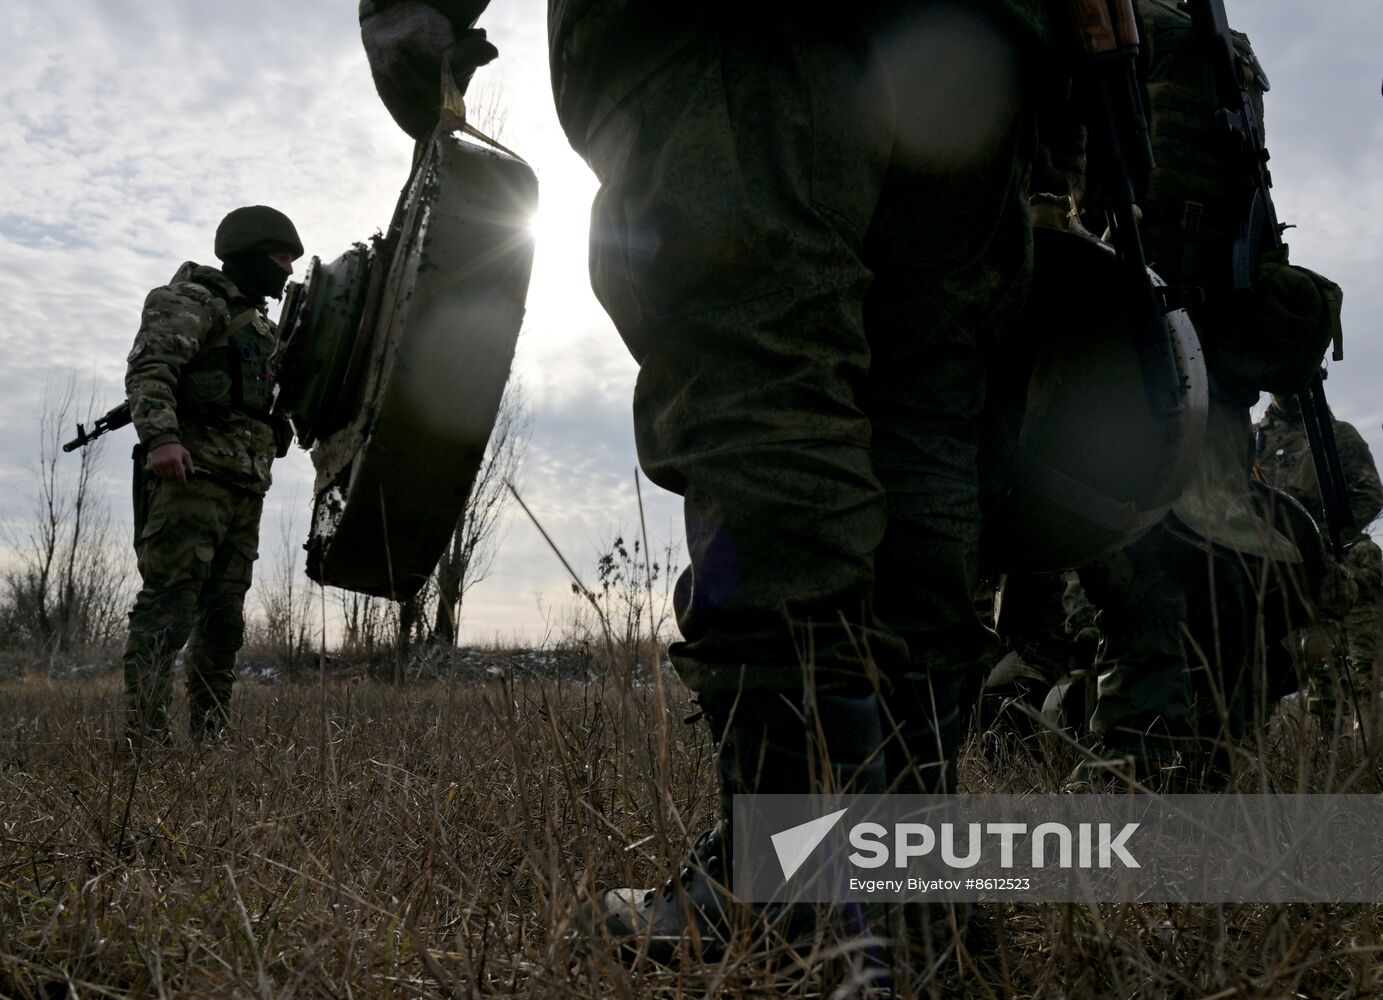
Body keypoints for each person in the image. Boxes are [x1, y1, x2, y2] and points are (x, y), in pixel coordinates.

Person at [362, 0, 1056, 964]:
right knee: (925, 423)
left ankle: (805, 889)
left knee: (763, 372)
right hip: (978, 54)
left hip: (733, 40)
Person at [1030, 0, 1340, 786]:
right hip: (1119, 330)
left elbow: (1244, 197)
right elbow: (1054, 162)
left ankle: (1192, 773)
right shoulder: (1103, 15)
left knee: (1232, 580)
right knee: (1143, 576)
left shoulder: (1215, 45)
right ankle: (1132, 782)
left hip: (1209, 353)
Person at [122, 206, 303, 745]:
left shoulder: (264, 328)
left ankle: (210, 737)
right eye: (279, 258)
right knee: (169, 608)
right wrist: (162, 438)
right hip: (189, 476)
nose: (287, 271)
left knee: (224, 623)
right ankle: (145, 741)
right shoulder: (188, 300)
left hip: (246, 485)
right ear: (247, 252)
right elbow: (150, 369)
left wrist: (277, 424)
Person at [1258, 394, 1383, 723]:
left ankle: (1336, 757)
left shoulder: (1338, 435)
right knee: (1266, 666)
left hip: (1320, 569)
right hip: (1268, 570)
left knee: (1325, 660)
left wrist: (1324, 541)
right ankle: (1254, 758)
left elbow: (1369, 495)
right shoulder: (1254, 439)